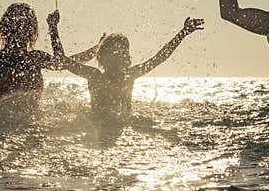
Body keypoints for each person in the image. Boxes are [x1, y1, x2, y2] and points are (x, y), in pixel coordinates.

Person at [47, 10, 204, 120]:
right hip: (110, 125)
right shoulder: (100, 76)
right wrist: (53, 28)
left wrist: (183, 33)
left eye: (122, 52)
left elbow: (160, 57)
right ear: (103, 56)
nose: (119, 56)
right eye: (115, 52)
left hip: (112, 125)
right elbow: (62, 60)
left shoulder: (116, 75)